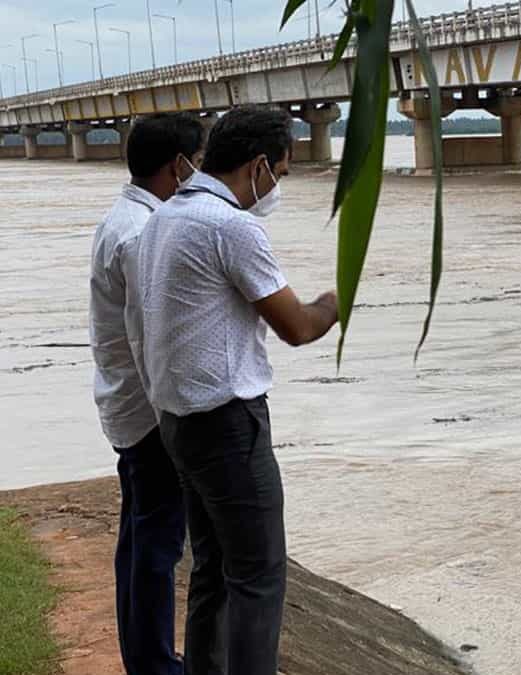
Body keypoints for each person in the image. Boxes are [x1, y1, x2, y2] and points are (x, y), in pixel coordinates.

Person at [137, 104, 339, 675]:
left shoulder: (166, 215)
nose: (278, 183)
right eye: (281, 169)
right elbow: (296, 327)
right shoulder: (232, 226)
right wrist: (335, 301)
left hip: (178, 420)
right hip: (227, 423)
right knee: (258, 576)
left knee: (212, 570)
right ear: (258, 166)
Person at [88, 112, 204, 675]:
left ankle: (147, 655)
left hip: (126, 404)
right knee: (156, 547)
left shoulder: (126, 218)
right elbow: (148, 335)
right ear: (177, 167)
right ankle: (154, 664)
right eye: (198, 163)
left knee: (140, 540)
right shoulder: (142, 233)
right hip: (148, 413)